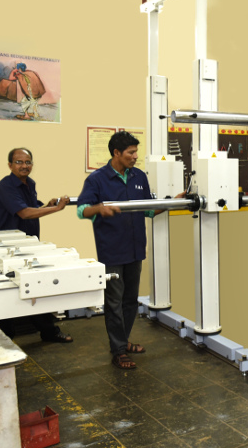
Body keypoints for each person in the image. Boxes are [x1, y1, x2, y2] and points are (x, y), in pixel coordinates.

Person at [77, 131, 180, 370]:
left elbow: (148, 210)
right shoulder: (97, 180)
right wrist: (99, 209)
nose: (135, 157)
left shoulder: (139, 177)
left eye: (136, 152)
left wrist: (173, 202)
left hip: (135, 250)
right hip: (111, 251)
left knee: (130, 301)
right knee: (113, 302)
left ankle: (122, 342)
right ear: (116, 153)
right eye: (131, 153)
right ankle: (119, 351)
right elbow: (81, 210)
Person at [0, 147, 73, 342]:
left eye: (28, 162)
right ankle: (5, 339)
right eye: (19, 162)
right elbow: (24, 213)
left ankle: (48, 332)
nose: (24, 166)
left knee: (37, 287)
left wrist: (47, 205)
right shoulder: (6, 187)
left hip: (27, 246)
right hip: (6, 248)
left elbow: (31, 209)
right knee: (6, 291)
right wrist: (55, 209)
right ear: (10, 165)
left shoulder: (30, 184)